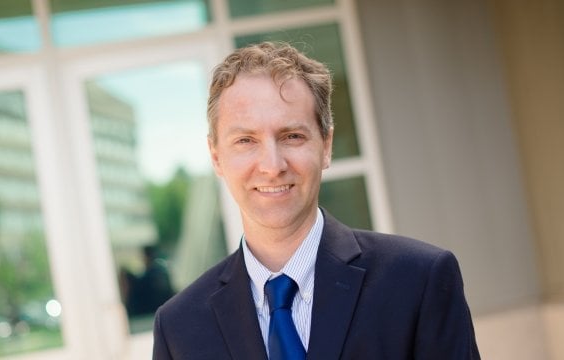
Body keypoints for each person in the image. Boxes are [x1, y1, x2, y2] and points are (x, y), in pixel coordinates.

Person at [153, 42, 480, 359]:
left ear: (326, 145)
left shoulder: (418, 280)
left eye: (292, 136)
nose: (272, 166)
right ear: (216, 157)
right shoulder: (178, 328)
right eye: (245, 140)